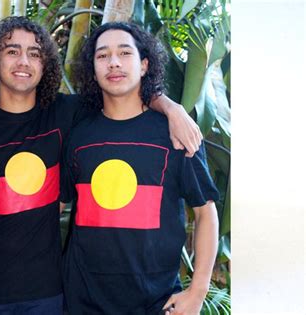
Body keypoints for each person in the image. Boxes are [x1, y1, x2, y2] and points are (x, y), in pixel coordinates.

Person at [0, 16, 203, 315]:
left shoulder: (69, 113)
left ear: (45, 64)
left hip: (50, 293)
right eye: (12, 51)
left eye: (34, 53)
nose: (23, 61)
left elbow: (124, 89)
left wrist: (171, 107)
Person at [58, 22, 220, 315]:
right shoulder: (79, 135)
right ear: (93, 69)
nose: (114, 62)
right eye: (102, 55)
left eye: (124, 52)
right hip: (81, 301)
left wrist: (197, 292)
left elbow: (206, 212)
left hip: (155, 303)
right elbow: (53, 205)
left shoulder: (176, 134)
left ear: (144, 65)